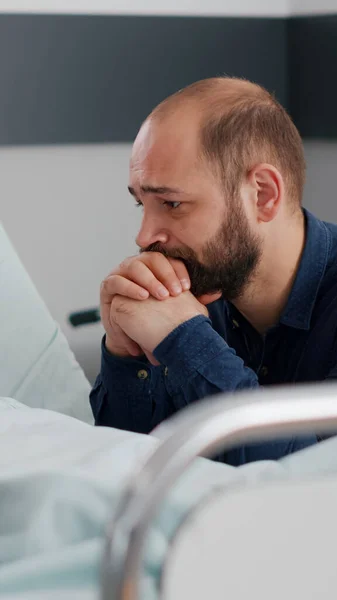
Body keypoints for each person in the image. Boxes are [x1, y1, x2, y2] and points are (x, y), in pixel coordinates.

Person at [90, 76, 337, 466]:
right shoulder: (200, 282)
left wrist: (187, 342)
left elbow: (307, 485)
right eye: (142, 204)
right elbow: (122, 471)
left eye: (171, 204)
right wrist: (125, 354)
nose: (143, 236)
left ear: (263, 194)